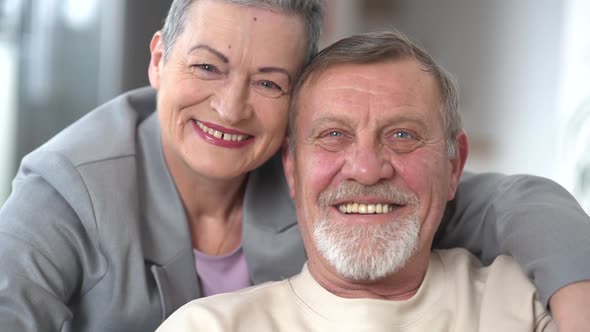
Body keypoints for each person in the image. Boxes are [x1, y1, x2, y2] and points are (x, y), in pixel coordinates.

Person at [0, 0, 588, 331]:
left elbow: (513, 206)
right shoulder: (64, 188)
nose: (231, 106)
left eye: (269, 82)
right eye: (207, 67)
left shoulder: (330, 175)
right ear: (158, 58)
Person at [156, 30, 556, 331]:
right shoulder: (209, 327)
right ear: (292, 168)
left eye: (402, 135)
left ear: (454, 167)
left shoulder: (526, 304)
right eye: (334, 135)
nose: (366, 169)